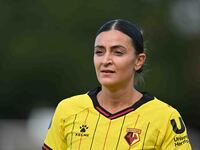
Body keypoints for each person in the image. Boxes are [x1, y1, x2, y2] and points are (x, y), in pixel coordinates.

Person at [42, 19, 192, 150]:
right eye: (99, 52)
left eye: (118, 52)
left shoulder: (165, 117)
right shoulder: (67, 110)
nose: (106, 60)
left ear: (139, 61)